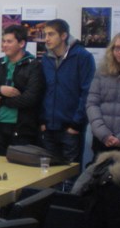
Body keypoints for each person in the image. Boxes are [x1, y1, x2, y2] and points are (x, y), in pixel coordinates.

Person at [0, 25, 44, 156]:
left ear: (21, 43)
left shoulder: (33, 65)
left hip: (23, 128)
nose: (4, 45)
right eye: (3, 41)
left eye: (9, 41)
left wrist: (1, 101)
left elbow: (31, 98)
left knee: (21, 166)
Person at [40, 18, 96, 166]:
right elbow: (42, 90)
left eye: (51, 34)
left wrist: (76, 124)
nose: (46, 39)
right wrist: (42, 121)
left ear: (64, 35)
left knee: (70, 173)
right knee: (49, 173)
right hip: (48, 127)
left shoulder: (82, 57)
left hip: (71, 128)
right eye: (45, 34)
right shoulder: (46, 58)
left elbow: (87, 92)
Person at [86, 31, 120, 157]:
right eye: (117, 48)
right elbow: (92, 104)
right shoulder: (102, 71)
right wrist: (104, 133)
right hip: (102, 139)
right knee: (100, 169)